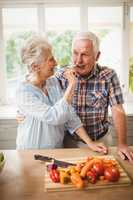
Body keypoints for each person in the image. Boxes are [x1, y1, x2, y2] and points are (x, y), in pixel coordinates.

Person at [16, 35, 107, 152]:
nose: (56, 62)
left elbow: (69, 115)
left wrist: (90, 142)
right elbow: (54, 116)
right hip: (31, 152)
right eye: (51, 59)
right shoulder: (23, 92)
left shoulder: (53, 82)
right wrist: (72, 85)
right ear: (35, 66)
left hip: (56, 150)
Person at [55, 31, 133, 163]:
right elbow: (39, 91)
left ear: (97, 56)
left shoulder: (108, 75)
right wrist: (22, 110)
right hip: (69, 141)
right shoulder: (61, 75)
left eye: (84, 54)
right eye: (75, 53)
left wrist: (122, 143)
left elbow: (117, 109)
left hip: (101, 141)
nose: (78, 60)